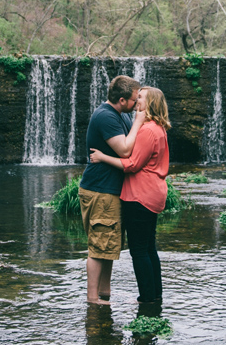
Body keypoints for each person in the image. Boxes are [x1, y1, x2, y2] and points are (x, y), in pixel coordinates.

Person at [90, 86, 170, 305]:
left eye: (141, 98)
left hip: (140, 195)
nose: (137, 102)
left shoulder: (146, 130)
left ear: (151, 104)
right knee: (149, 247)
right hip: (153, 193)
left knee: (139, 250)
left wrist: (103, 157)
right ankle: (155, 295)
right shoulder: (159, 128)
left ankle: (146, 298)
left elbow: (131, 164)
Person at [78, 75, 143, 304]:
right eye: (135, 100)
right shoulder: (106, 116)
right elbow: (125, 151)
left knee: (108, 245)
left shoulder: (120, 115)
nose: (137, 104)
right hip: (100, 190)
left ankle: (104, 294)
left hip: (110, 190)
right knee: (99, 246)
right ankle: (92, 299)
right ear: (123, 100)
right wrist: (139, 120)